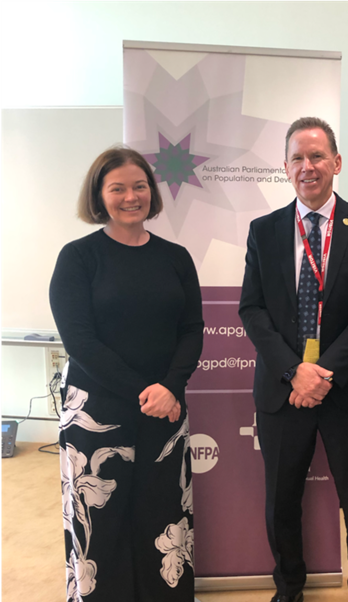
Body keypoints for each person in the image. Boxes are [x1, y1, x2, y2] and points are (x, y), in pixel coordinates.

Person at [239, 117, 348, 602]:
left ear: (336, 163)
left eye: (318, 156)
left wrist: (323, 372)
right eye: (298, 158)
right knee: (282, 501)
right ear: (285, 167)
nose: (309, 166)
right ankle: (289, 590)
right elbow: (252, 309)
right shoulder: (263, 231)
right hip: (283, 389)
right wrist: (293, 370)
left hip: (346, 388)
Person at [49, 147, 204, 602]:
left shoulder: (176, 257)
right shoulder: (78, 258)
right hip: (97, 417)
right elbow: (81, 343)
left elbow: (192, 330)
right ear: (100, 195)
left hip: (165, 414)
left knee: (163, 521)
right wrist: (147, 391)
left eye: (139, 186)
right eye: (117, 188)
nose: (130, 196)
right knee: (102, 529)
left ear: (151, 193)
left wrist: (171, 388)